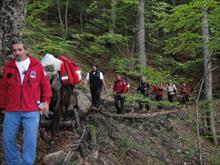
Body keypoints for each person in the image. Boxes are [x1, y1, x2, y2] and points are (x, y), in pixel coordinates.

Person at [0, 37, 52, 165]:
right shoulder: (9, 67)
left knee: (29, 139)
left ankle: (27, 163)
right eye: (14, 50)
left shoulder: (37, 66)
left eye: (20, 49)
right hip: (11, 110)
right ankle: (14, 162)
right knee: (7, 139)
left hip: (31, 110)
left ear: (26, 50)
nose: (17, 53)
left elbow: (46, 85)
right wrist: (2, 105)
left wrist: (46, 101)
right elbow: (3, 88)